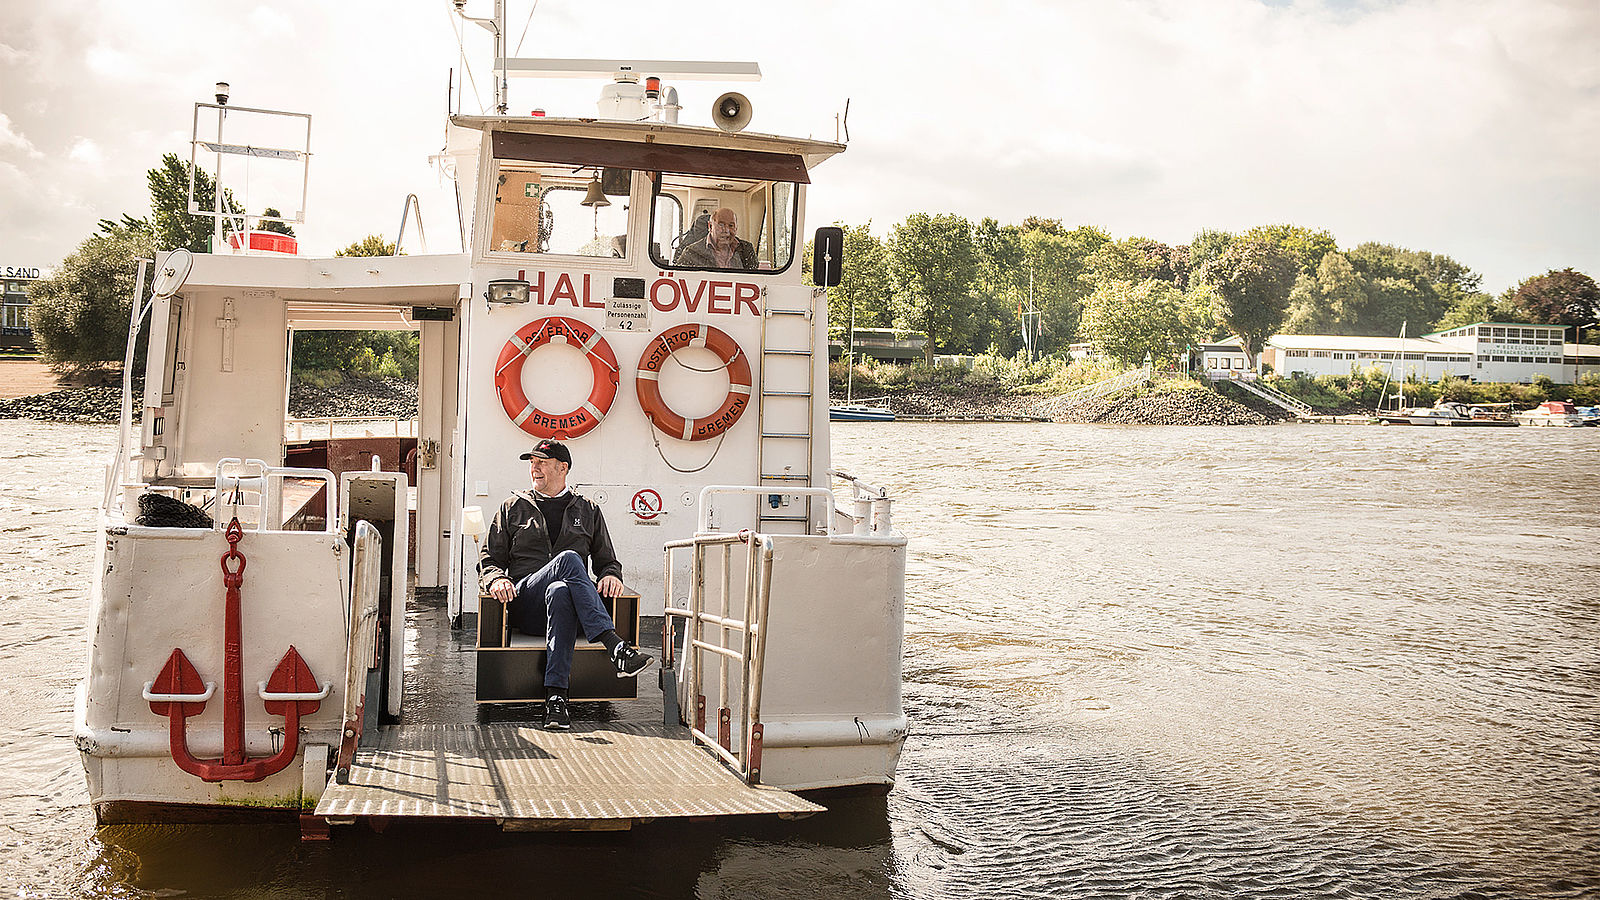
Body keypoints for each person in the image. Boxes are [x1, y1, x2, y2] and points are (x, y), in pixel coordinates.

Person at [478, 438, 652, 730]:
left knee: (560, 590)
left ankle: (556, 701)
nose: (534, 468)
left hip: (568, 609)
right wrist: (496, 578)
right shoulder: (512, 508)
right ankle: (614, 646)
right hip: (527, 603)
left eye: (541, 462)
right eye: (531, 463)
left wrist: (611, 574)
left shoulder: (588, 510)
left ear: (563, 468)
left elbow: (607, 560)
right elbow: (488, 559)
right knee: (569, 558)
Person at [673, 207, 757, 270]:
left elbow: (757, 279)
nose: (726, 230)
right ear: (710, 226)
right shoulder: (691, 252)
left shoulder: (746, 249)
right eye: (721, 225)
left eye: (731, 226)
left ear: (736, 228)